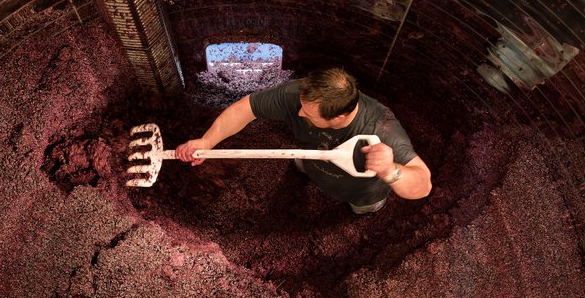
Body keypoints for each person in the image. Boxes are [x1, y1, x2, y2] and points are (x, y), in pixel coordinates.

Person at [175, 68, 432, 214]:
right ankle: (303, 167)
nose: (298, 113)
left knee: (364, 208)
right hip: (311, 159)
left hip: (358, 192)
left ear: (339, 117)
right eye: (301, 107)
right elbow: (246, 109)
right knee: (302, 162)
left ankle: (361, 208)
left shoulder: (382, 128)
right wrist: (207, 142)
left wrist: (390, 170)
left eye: (308, 115)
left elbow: (423, 185)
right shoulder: (299, 95)